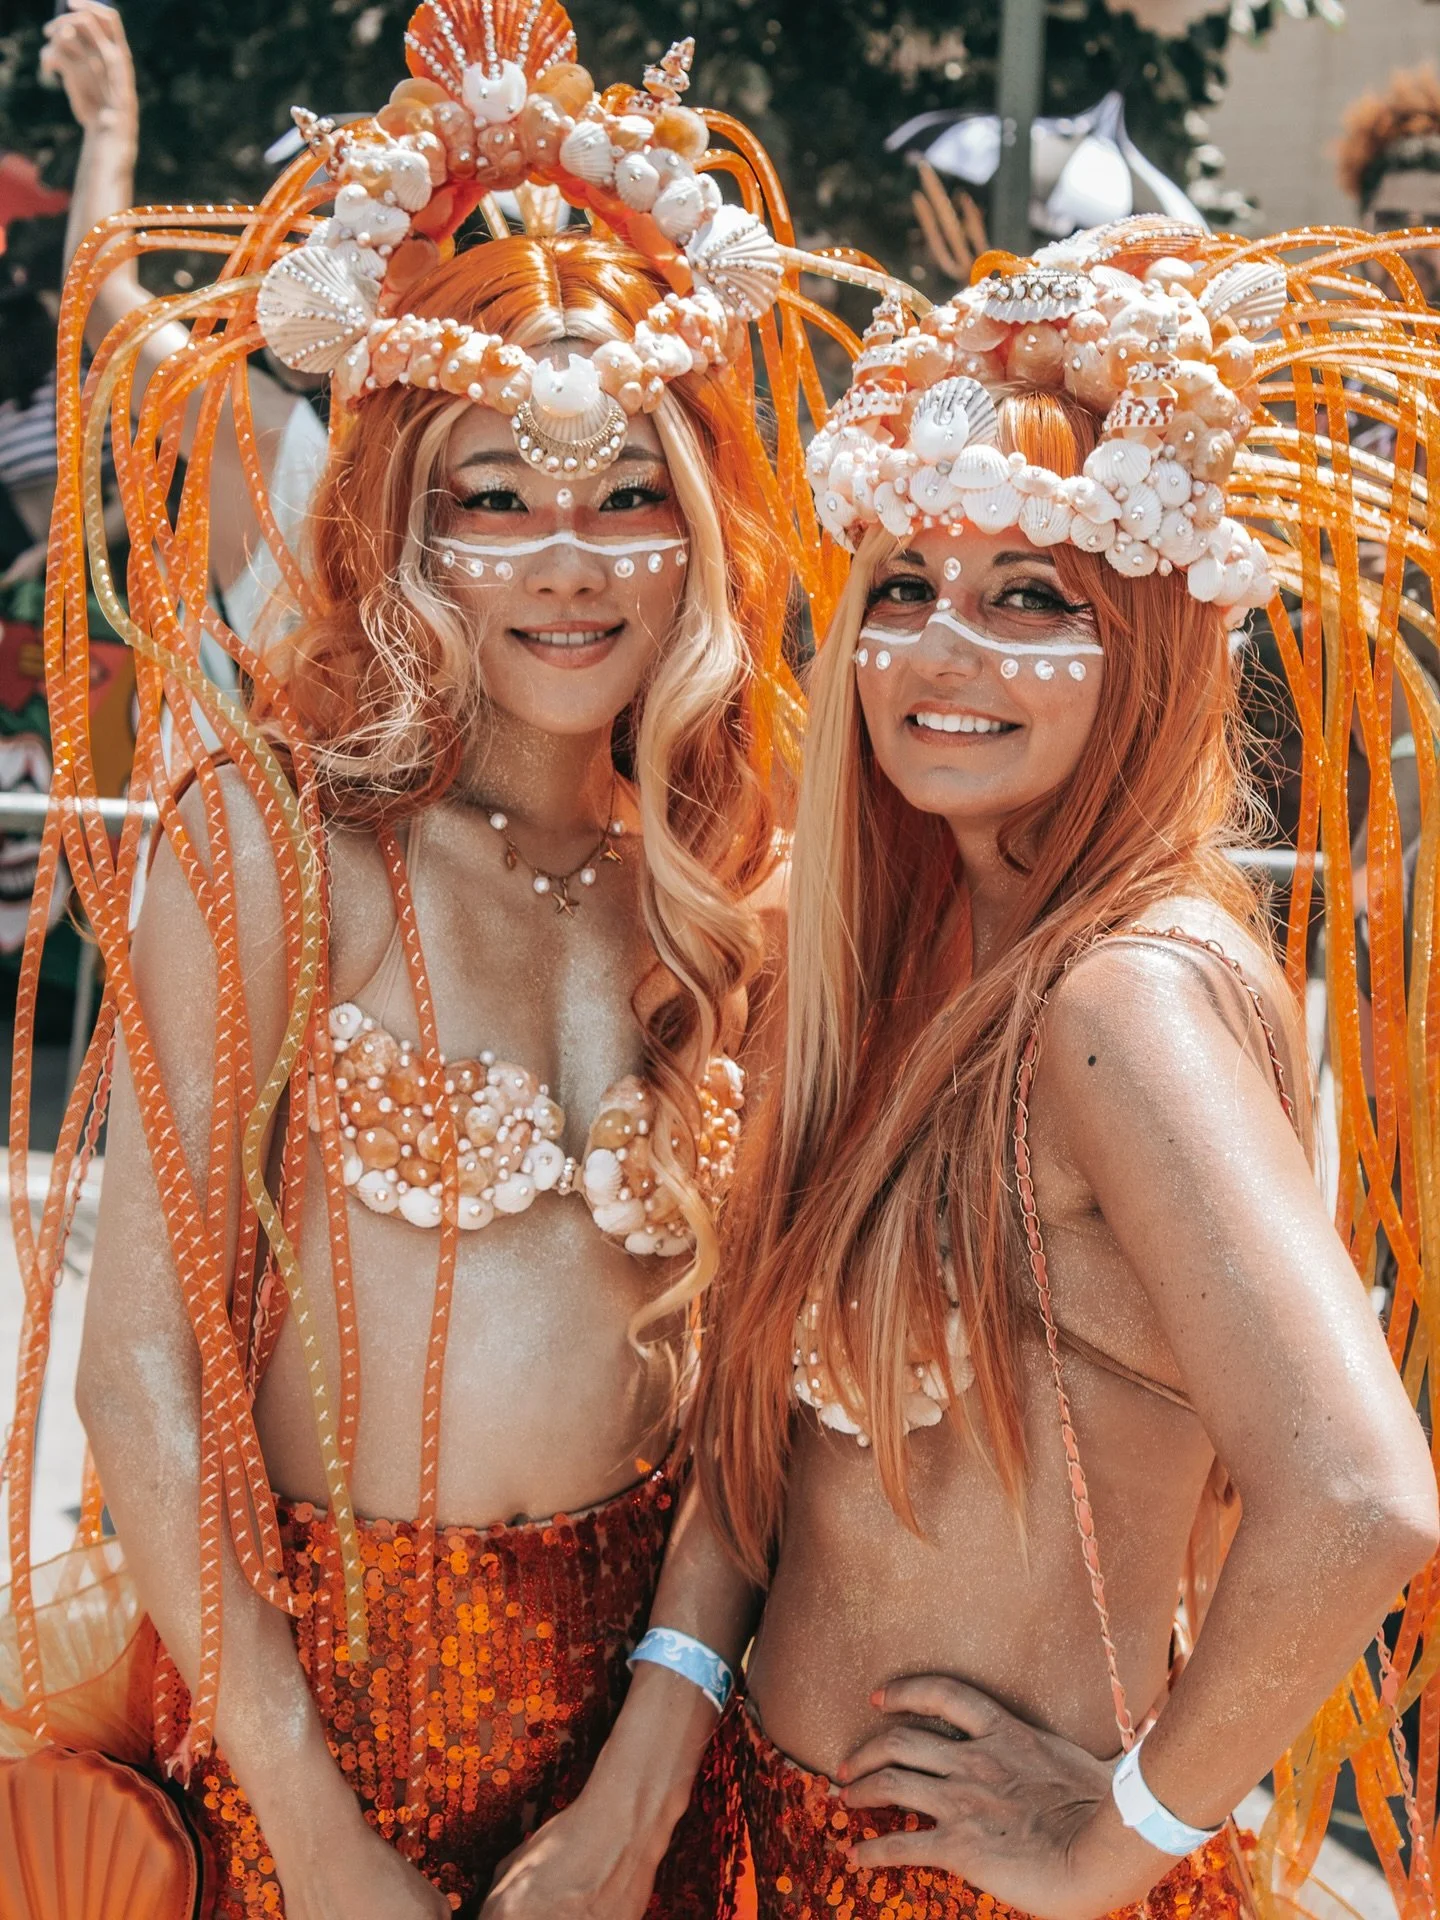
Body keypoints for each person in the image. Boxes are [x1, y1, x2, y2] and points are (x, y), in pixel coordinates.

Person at [1, 1, 902, 1913]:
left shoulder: (739, 859)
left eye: (626, 491)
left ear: (703, 525)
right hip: (305, 1706)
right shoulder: (276, 835)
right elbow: (143, 1379)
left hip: (642, 1723)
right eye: (496, 496)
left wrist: (650, 1774)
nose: (569, 560)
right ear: (403, 522)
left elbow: (757, 1371)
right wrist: (319, 1841)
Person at [529, 217, 1440, 1920]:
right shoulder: (885, 948)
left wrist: (1115, 1845)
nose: (944, 652)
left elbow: (1359, 1495)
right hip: (760, 1843)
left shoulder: (1123, 1000)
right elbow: (762, 1448)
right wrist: (654, 1750)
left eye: (1032, 598)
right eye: (903, 591)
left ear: (1157, 642)